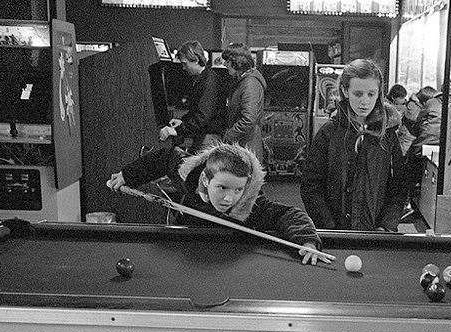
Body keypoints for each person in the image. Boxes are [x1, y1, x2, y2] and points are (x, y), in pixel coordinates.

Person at [106, 143, 326, 265]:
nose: (229, 199)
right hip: (188, 245)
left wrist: (306, 241)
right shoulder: (188, 174)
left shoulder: (252, 203)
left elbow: (289, 214)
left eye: (238, 189)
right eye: (222, 188)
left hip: (235, 258)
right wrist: (128, 175)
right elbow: (164, 157)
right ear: (205, 180)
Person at [300, 58, 406, 231]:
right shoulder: (328, 133)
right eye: (358, 94)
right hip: (336, 232)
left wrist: (386, 226)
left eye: (371, 94)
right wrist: (328, 226)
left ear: (378, 93)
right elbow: (311, 186)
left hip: (376, 232)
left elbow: (399, 187)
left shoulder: (387, 135)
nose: (364, 101)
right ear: (345, 90)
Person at [160, 41, 227, 151]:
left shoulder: (209, 81)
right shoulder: (202, 78)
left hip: (209, 138)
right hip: (205, 135)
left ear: (196, 60)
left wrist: (177, 130)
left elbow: (202, 116)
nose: (183, 68)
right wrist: (183, 121)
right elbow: (197, 110)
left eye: (184, 63)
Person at [221, 43, 267, 163]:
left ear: (237, 62)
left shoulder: (249, 83)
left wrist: (228, 136)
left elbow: (248, 119)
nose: (225, 64)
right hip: (245, 143)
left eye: (227, 61)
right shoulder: (244, 81)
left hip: (247, 144)